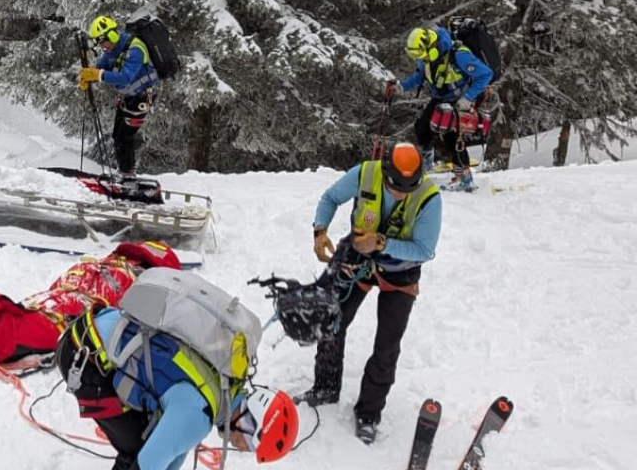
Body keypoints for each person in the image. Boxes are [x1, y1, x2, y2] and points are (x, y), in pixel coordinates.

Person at [303, 142, 442, 444]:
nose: (399, 194)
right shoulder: (365, 173)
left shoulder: (430, 198)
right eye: (394, 187)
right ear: (385, 171)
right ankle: (325, 386)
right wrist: (320, 230)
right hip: (356, 257)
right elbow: (330, 198)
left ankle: (368, 413)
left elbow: (425, 249)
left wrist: (381, 243)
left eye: (407, 189)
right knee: (332, 319)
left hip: (400, 270)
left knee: (387, 345)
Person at [57, 307, 298, 469]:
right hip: (83, 357)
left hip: (95, 329)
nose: (241, 448)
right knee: (137, 449)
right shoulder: (200, 416)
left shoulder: (225, 380)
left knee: (151, 437)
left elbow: (175, 449)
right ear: (249, 423)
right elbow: (149, 463)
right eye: (250, 445)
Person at [384, 26, 493, 191]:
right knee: (422, 127)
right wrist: (401, 86)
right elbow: (420, 75)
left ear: (431, 46)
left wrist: (467, 98)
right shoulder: (428, 57)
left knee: (454, 137)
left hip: (462, 98)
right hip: (442, 97)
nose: (420, 59)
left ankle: (464, 178)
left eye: (420, 55)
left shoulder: (459, 55)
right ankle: (426, 163)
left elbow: (485, 74)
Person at [77, 15, 160, 180]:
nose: (102, 47)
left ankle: (128, 174)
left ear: (112, 36)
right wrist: (87, 76)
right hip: (129, 97)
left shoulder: (136, 49)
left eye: (102, 42)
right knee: (117, 135)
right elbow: (101, 66)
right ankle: (124, 172)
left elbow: (125, 77)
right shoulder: (113, 49)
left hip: (145, 97)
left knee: (125, 136)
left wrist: (98, 75)